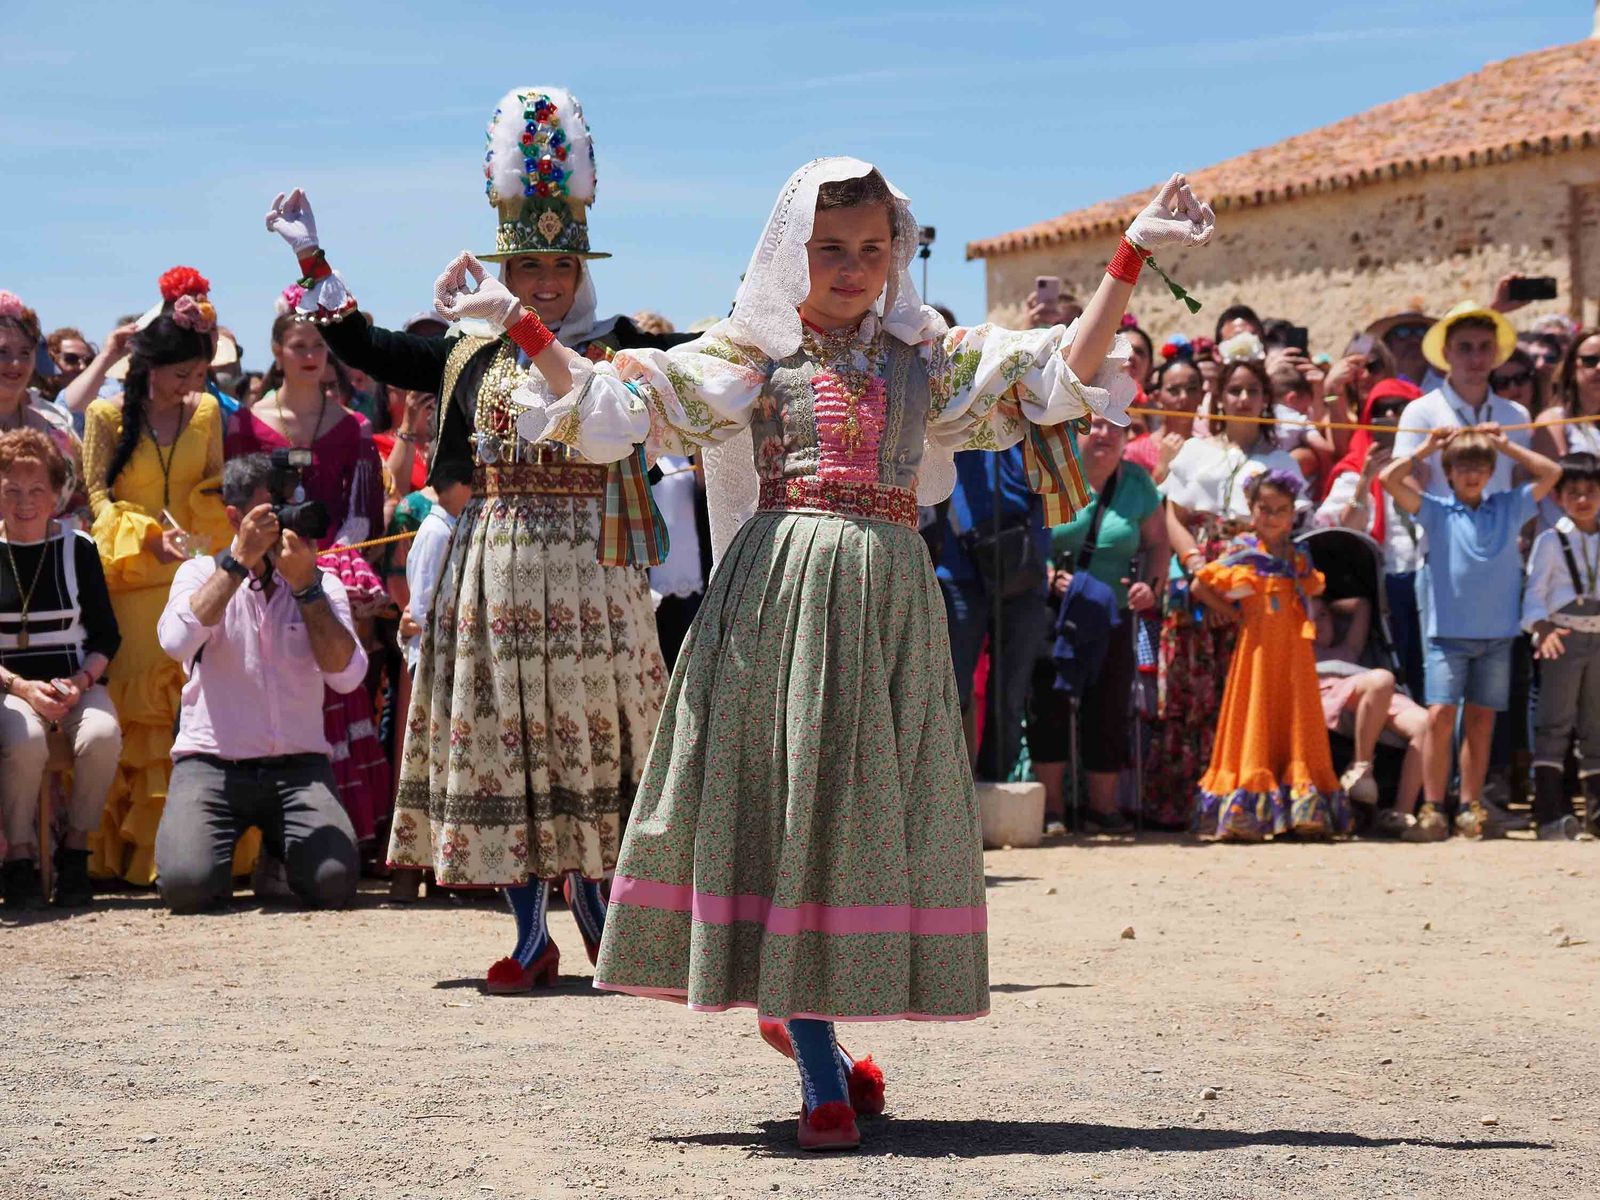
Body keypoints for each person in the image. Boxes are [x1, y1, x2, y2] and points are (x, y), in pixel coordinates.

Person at [495, 156, 1212, 1148]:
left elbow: (1058, 380)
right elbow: (625, 407)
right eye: (830, 247)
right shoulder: (755, 354)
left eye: (872, 248)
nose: (851, 265)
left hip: (887, 598)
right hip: (781, 594)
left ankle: (809, 1031)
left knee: (850, 817)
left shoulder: (926, 354)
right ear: (792, 251)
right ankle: (823, 1076)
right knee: (796, 811)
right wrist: (525, 331)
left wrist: (1128, 256)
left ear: (897, 252)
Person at [265, 86, 684, 988]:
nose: (543, 287)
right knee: (505, 745)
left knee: (594, 737)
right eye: (529, 272)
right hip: (494, 567)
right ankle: (531, 941)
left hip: (592, 574)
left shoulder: (614, 351)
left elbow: (717, 357)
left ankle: (610, 930)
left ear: (581, 278)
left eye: (559, 274)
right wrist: (310, 252)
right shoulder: (467, 350)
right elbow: (366, 346)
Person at [153, 454, 364, 911]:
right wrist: (236, 564)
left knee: (335, 884)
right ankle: (218, 852)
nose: (285, 524)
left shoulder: (320, 583)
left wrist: (306, 589)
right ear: (235, 516)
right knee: (188, 886)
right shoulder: (197, 573)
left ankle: (279, 851)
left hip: (299, 767)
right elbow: (174, 641)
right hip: (211, 764)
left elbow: (347, 677)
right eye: (272, 512)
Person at [80, 269, 235, 885]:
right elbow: (94, 497)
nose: (192, 388)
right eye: (181, 376)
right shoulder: (105, 415)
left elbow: (217, 486)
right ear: (148, 366)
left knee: (195, 715)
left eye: (201, 376)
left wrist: (201, 530)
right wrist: (148, 534)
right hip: (132, 587)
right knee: (140, 718)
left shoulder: (206, 415)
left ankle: (193, 854)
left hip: (199, 578)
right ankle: (125, 858)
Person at [226, 313, 392, 848]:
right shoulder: (245, 426)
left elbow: (364, 513)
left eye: (319, 345)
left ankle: (344, 833)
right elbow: (234, 503)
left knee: (342, 691)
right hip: (258, 575)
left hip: (332, 573)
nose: (310, 355)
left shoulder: (354, 427)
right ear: (276, 351)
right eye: (298, 345)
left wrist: (330, 562)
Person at [1381, 427, 1561, 838]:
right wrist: (1426, 449)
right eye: (1463, 465)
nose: (1472, 473)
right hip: (1447, 635)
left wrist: (1503, 443)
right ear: (1448, 471)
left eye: (1481, 465)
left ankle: (1470, 806)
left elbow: (1550, 474)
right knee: (1440, 717)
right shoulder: (1436, 511)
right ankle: (1432, 806)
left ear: (1492, 470)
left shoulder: (1508, 506)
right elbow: (1388, 480)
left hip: (1497, 635)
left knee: (1481, 722)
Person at [1147, 358, 1304, 827]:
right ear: (1220, 398)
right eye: (1233, 390)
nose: (1242, 399)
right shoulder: (1195, 451)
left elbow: (1292, 528)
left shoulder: (1282, 461)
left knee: (1245, 691)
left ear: (1265, 400)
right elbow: (1173, 512)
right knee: (1190, 693)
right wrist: (1195, 560)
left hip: (1254, 582)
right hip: (1198, 574)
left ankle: (1245, 800)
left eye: (1252, 391)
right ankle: (1184, 804)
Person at [0, 430, 122, 908]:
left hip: (74, 681)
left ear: (56, 494)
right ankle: (20, 858)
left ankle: (75, 851)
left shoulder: (79, 548)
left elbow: (107, 635)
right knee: (24, 740)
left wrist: (81, 682)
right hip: (10, 686)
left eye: (37, 491)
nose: (25, 502)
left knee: (102, 734)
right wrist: (21, 687)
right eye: (11, 490)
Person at [1189, 469, 1346, 840]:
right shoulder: (1243, 551)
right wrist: (1233, 614)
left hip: (1295, 653)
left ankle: (1301, 808)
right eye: (1265, 508)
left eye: (1281, 509)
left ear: (1294, 513)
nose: (1273, 516)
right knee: (1256, 715)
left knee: (1295, 719)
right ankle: (1246, 810)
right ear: (1251, 509)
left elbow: (1312, 593)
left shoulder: (1299, 555)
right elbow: (1200, 584)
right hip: (1256, 652)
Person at [1029, 415, 1166, 834]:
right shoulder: (1054, 474)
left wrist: (1151, 588)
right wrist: (1048, 574)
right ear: (1075, 430)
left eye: (1116, 427)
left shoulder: (1139, 484)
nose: (1105, 434)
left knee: (1108, 705)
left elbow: (1158, 543)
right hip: (1058, 608)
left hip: (1114, 611)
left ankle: (1101, 808)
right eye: (1096, 425)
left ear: (1127, 437)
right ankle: (1052, 809)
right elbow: (1032, 536)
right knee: (1049, 703)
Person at [1316, 379, 1427, 697]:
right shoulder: (1354, 467)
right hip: (1384, 584)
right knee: (1400, 671)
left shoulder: (1434, 462)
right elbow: (1345, 531)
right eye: (1381, 409)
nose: (1391, 414)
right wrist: (1365, 482)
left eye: (1400, 407)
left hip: (1429, 574)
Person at [1311, 594, 1438, 840]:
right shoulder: (1298, 648)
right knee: (1381, 679)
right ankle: (1361, 769)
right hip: (1326, 692)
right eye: (1310, 617)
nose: (1317, 623)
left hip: (1369, 693)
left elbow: (1362, 605)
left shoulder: (1347, 648)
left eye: (1323, 616)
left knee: (1426, 723)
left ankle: (1401, 812)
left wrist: (1326, 604)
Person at [1522, 452, 1600, 840]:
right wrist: (1542, 626)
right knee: (1555, 724)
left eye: (1591, 492)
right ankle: (1549, 812)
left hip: (1599, 640)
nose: (1583, 500)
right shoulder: (1551, 540)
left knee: (1595, 726)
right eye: (1574, 493)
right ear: (1559, 497)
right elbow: (1534, 592)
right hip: (1563, 639)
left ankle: (1596, 815)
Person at [1392, 303, 1529, 500]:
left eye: (1485, 346)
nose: (1476, 358)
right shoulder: (1420, 411)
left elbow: (1521, 480)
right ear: (1446, 353)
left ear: (1496, 352)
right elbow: (1406, 480)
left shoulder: (1516, 414)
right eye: (1465, 348)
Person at [0, 293, 89, 528]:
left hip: (49, 556)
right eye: (3, 352)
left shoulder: (55, 423)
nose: (15, 363)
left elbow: (82, 496)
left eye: (24, 353)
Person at [1531, 327, 1600, 462]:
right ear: (1572, 368)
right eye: (1590, 360)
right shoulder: (1553, 420)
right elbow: (1556, 477)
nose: (1599, 368)